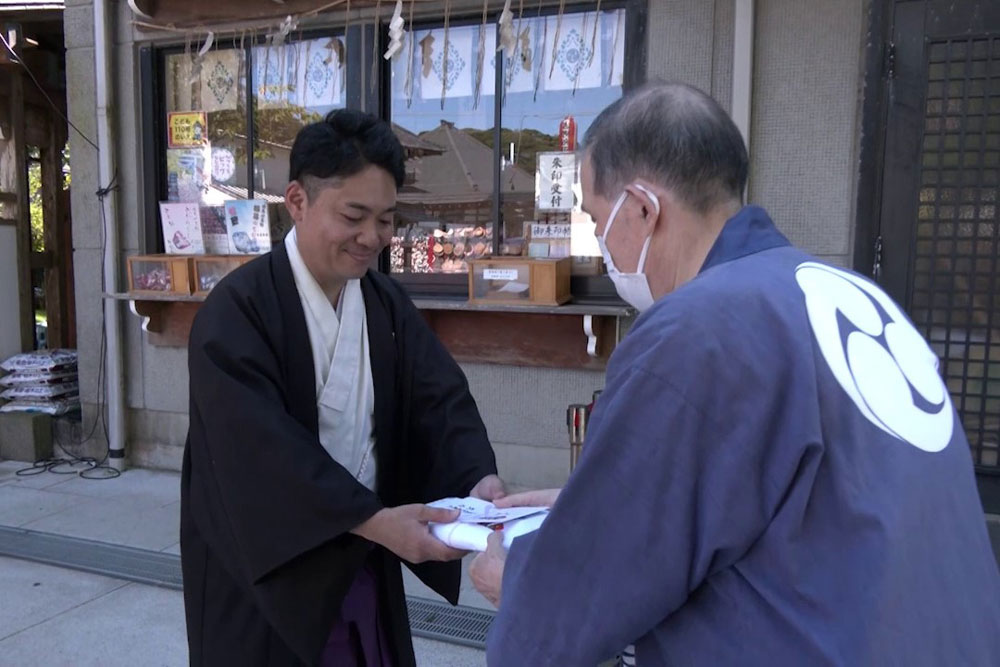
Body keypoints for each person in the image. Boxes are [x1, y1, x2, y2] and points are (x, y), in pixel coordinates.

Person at [469, 82, 1000, 666]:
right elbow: (813, 492)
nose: (600, 244)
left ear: (643, 209)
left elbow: (584, 589)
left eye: (597, 221)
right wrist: (584, 496)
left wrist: (514, 577)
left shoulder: (697, 329)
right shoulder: (852, 296)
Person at [181, 109, 505, 667]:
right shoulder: (235, 315)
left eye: (385, 220)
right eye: (354, 214)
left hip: (365, 553)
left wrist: (479, 479)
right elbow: (260, 455)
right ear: (298, 201)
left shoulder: (384, 304)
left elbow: (440, 403)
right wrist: (376, 521)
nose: (371, 237)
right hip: (270, 572)